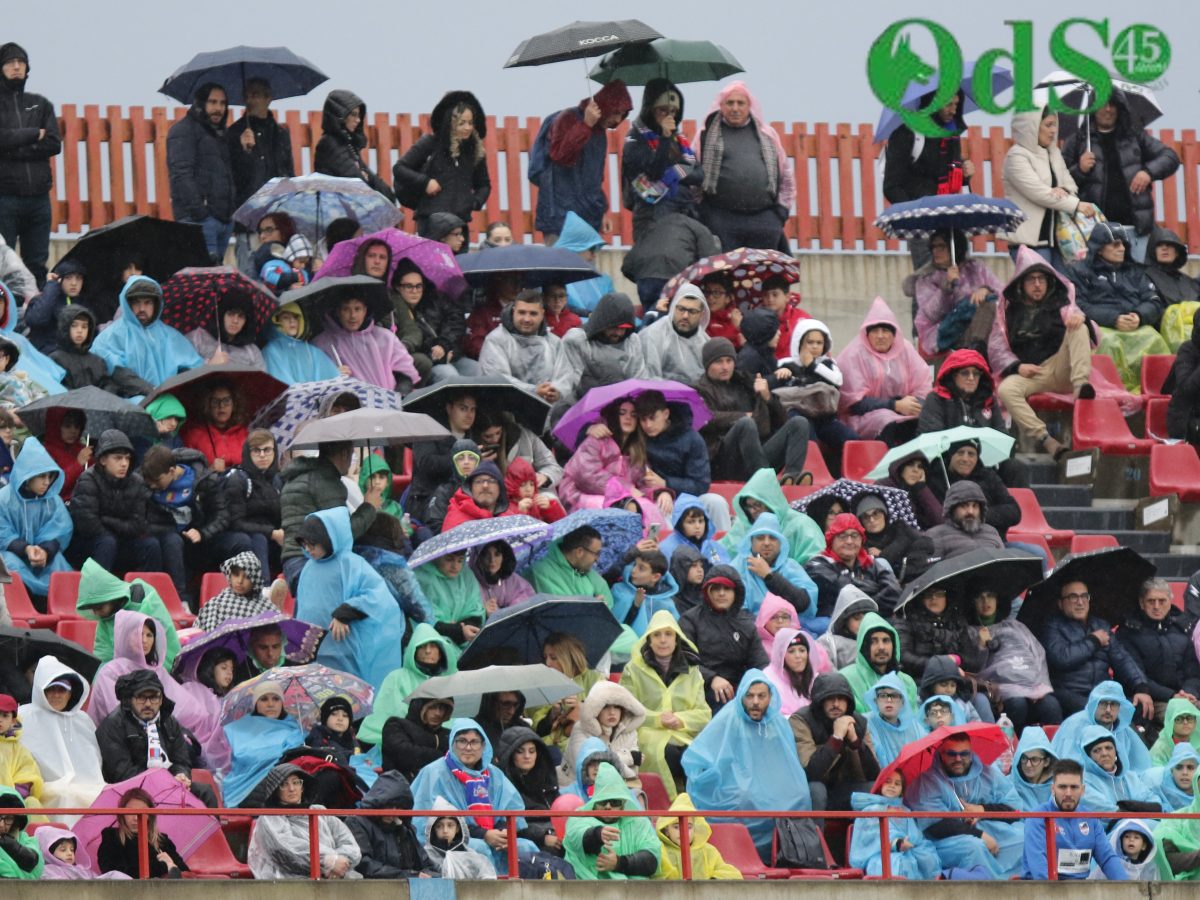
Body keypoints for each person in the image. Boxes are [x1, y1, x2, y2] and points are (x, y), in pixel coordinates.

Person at [682, 670, 812, 860]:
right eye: (750, 696)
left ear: (771, 697)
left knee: (801, 795)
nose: (756, 702)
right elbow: (697, 758)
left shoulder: (778, 724)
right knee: (745, 797)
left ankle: (795, 855)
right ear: (741, 695)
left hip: (771, 786)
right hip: (734, 785)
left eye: (761, 696)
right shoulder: (727, 719)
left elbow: (788, 765)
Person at [989, 248, 1100, 458]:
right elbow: (996, 347)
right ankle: (1047, 440)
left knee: (1080, 327)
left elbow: (1091, 332)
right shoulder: (1008, 310)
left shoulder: (1061, 303)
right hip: (1033, 373)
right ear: (1021, 283)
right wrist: (1017, 366)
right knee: (1006, 390)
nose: (1037, 284)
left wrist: (1080, 318)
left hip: (1061, 367)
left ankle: (1080, 386)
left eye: (1041, 279)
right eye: (1031, 279)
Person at [294, 507, 405, 690]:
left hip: (345, 652)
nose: (308, 549)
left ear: (328, 539)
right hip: (315, 652)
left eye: (312, 544)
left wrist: (346, 612)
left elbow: (379, 597)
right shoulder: (308, 568)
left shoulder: (352, 564)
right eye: (304, 544)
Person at [1063, 90, 1180, 262]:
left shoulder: (1135, 137)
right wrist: (1079, 169)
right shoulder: (1077, 141)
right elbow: (1058, 182)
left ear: (1120, 109)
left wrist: (1148, 173)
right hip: (1094, 232)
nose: (1108, 109)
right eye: (1103, 104)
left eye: (1113, 105)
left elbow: (1170, 157)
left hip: (1135, 228)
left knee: (1138, 280)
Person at [410, 719, 532, 873]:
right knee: (479, 848)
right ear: (452, 744)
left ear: (483, 746)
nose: (468, 747)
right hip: (448, 840)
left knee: (526, 847)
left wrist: (503, 834)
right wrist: (484, 834)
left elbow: (512, 810)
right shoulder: (434, 772)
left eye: (474, 742)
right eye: (462, 741)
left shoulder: (494, 774)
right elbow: (431, 824)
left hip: (493, 836)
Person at [142, 445, 254, 602]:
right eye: (150, 482)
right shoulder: (146, 485)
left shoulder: (203, 480)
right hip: (171, 541)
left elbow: (222, 515)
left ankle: (245, 599)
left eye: (157, 481)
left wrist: (203, 533)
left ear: (172, 471)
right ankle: (180, 601)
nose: (152, 485)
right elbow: (146, 520)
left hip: (201, 541)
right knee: (172, 541)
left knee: (241, 541)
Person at [618, 611, 710, 798]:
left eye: (668, 634)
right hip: (646, 735)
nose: (663, 640)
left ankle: (691, 808)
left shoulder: (692, 671)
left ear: (677, 638)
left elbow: (704, 714)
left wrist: (681, 719)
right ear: (648, 639)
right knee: (668, 753)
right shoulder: (633, 669)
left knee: (697, 757)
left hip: (684, 736)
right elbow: (626, 708)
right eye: (657, 635)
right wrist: (658, 719)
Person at [907, 731, 1024, 878]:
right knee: (974, 847)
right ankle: (991, 889)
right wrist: (979, 834)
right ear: (940, 754)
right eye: (951, 754)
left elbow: (1015, 809)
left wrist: (982, 810)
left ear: (971, 753)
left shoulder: (988, 773)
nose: (958, 759)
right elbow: (936, 824)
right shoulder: (928, 781)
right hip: (946, 841)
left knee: (1023, 836)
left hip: (987, 828)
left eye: (964, 754)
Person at [1070, 223, 1170, 392]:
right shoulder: (1080, 271)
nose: (1122, 248)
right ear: (1100, 249)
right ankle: (1111, 392)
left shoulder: (1136, 272)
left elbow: (1153, 300)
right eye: (1115, 244)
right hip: (1100, 327)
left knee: (1155, 339)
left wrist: (1139, 316)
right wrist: (1113, 319)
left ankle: (1158, 392)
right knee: (1108, 343)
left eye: (1124, 244)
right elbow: (1078, 305)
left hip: (1134, 323)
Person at [696, 337, 811, 483]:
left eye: (729, 361)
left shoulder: (746, 382)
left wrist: (767, 397)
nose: (725, 367)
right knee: (745, 424)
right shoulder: (699, 390)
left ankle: (792, 476)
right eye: (719, 362)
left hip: (757, 455)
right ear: (708, 364)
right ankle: (766, 482)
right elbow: (706, 419)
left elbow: (781, 420)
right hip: (724, 460)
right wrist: (743, 416)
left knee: (799, 422)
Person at [529, 81, 632, 242]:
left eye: (623, 114)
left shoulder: (599, 133)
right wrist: (586, 125)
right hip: (560, 218)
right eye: (616, 112)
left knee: (585, 267)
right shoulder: (567, 118)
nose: (618, 119)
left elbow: (594, 178)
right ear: (604, 106)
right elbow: (561, 156)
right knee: (562, 266)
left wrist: (602, 211)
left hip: (587, 219)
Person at [697, 81, 794, 252]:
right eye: (730, 103)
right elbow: (694, 172)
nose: (735, 108)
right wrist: (701, 211)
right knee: (724, 274)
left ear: (749, 106)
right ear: (721, 106)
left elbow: (786, 175)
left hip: (763, 220)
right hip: (721, 219)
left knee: (761, 275)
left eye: (740, 103)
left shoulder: (767, 135)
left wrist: (781, 211)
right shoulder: (705, 135)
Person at [1041, 579, 1153, 717]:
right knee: (1096, 709)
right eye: (1073, 597)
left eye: (1084, 596)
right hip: (1069, 692)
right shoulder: (1052, 626)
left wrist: (1141, 687)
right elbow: (1061, 658)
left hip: (1102, 692)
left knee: (1140, 705)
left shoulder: (1101, 625)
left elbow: (1122, 659)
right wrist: (1093, 641)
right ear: (1061, 603)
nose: (1080, 602)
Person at [280, 438, 380, 590]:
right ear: (345, 453)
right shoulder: (325, 482)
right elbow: (342, 534)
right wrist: (370, 506)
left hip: (291, 562)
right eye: (352, 454)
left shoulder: (297, 477)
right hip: (312, 562)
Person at [1002, 107, 1094, 269]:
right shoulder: (1017, 156)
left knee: (1063, 289)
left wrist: (1063, 191)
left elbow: (1070, 185)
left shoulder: (1054, 153)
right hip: (1030, 242)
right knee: (1039, 290)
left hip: (1058, 241)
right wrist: (1075, 204)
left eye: (1055, 125)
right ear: (1032, 126)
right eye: (1048, 125)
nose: (1054, 131)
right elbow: (1037, 192)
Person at [0, 43, 61, 287]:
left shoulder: (41, 104)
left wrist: (13, 147)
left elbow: (54, 143)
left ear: (27, 68)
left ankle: (36, 318)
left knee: (37, 263)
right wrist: (34, 133)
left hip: (38, 199)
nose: (16, 67)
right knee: (4, 262)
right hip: (5, 198)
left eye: (21, 63)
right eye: (10, 62)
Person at [93, 671, 203, 799]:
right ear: (130, 700)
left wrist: (180, 775)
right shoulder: (113, 725)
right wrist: (162, 783)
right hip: (130, 793)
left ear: (162, 700)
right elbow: (122, 773)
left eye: (154, 697)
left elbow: (181, 761)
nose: (148, 704)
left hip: (168, 786)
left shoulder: (170, 722)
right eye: (141, 697)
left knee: (204, 792)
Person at [393, 91, 489, 237]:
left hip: (460, 222)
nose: (468, 128)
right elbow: (400, 168)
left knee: (458, 260)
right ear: (449, 123)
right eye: (461, 123)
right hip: (431, 220)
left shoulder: (475, 151)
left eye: (470, 123)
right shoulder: (430, 143)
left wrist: (474, 202)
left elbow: (484, 184)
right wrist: (426, 183)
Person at [837, 297, 931, 445]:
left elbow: (923, 387)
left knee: (926, 421)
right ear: (866, 333)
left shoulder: (906, 350)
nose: (880, 336)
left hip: (904, 412)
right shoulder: (853, 354)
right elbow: (854, 404)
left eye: (886, 330)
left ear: (895, 334)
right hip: (863, 418)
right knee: (886, 420)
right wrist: (894, 405)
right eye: (875, 330)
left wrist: (914, 406)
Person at [968, 586, 1061, 732]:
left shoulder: (1016, 626)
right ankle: (1015, 750)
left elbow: (1038, 656)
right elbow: (974, 669)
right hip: (1001, 689)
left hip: (1033, 686)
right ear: (972, 602)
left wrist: (1039, 687)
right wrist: (980, 646)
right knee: (1017, 705)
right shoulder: (969, 632)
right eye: (980, 597)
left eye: (990, 595)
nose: (986, 601)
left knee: (1051, 706)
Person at [16, 657, 104, 811]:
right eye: (51, 689)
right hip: (43, 787)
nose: (57, 695)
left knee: (104, 794)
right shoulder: (24, 716)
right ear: (41, 690)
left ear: (70, 694)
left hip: (89, 786)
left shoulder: (83, 720)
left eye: (62, 690)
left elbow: (95, 761)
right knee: (63, 795)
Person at [248, 763, 362, 880]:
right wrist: (327, 862)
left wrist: (339, 862)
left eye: (296, 782)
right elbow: (285, 850)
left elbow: (348, 843)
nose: (291, 789)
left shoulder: (319, 811)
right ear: (276, 790)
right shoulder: (270, 818)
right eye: (284, 784)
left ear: (303, 787)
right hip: (289, 883)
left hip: (333, 876)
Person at [226, 78, 294, 271]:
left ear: (268, 98)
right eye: (247, 95)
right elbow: (233, 177)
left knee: (279, 274)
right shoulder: (235, 133)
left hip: (278, 216)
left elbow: (289, 172)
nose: (250, 100)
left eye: (255, 95)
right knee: (250, 275)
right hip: (249, 218)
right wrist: (244, 152)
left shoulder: (280, 133)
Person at [679, 567, 768, 711]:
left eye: (727, 589)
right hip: (700, 688)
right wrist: (711, 678)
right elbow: (683, 658)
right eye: (716, 588)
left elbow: (760, 662)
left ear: (736, 593)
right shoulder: (690, 620)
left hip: (740, 689)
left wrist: (756, 685)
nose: (721, 593)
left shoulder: (746, 623)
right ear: (707, 591)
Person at [1021, 758, 1127, 880]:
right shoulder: (1037, 818)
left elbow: (1107, 858)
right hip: (1041, 891)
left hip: (1079, 890)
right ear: (1053, 789)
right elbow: (1039, 868)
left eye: (1074, 787)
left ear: (1082, 790)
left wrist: (1127, 889)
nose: (1068, 793)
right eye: (1062, 787)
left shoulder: (1090, 818)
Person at [790, 671, 879, 812]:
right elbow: (810, 772)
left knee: (874, 788)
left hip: (844, 789)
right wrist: (836, 738)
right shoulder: (801, 720)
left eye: (841, 699)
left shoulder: (859, 722)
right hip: (811, 792)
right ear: (819, 700)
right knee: (816, 789)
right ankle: (813, 834)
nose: (836, 704)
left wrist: (856, 743)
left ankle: (866, 834)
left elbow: (874, 775)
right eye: (830, 699)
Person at [90, 276, 204, 386]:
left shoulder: (169, 336)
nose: (142, 309)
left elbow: (194, 367)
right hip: (128, 401)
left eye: (148, 302)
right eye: (136, 303)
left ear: (156, 304)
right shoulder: (111, 336)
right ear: (128, 304)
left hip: (167, 397)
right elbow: (105, 366)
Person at [167, 83, 235, 262]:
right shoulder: (184, 130)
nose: (218, 108)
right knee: (202, 278)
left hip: (223, 221)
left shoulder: (220, 135)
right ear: (200, 103)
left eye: (222, 103)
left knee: (216, 280)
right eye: (212, 102)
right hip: (199, 220)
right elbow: (181, 174)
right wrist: (201, 213)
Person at [359, 622, 456, 745]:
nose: (427, 651)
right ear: (413, 650)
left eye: (433, 646)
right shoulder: (397, 677)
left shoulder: (449, 681)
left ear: (441, 651)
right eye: (422, 646)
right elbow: (390, 712)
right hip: (403, 741)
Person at [1120, 579, 1200, 725]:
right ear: (1141, 603)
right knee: (1183, 722)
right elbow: (1136, 676)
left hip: (1187, 697)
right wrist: (1172, 696)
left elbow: (1194, 673)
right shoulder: (1127, 633)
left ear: (1170, 601)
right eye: (1151, 601)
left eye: (1162, 601)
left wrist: (1189, 693)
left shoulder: (1182, 629)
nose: (1157, 606)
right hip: (1155, 699)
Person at [912, 231, 1004, 357]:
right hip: (945, 334)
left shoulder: (976, 267)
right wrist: (946, 288)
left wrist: (986, 289)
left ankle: (977, 349)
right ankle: (976, 353)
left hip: (978, 329)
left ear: (956, 248)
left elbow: (1003, 293)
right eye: (933, 247)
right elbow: (930, 315)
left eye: (941, 247)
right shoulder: (926, 279)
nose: (935, 251)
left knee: (988, 303)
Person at [75, 557, 179, 668]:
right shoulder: (106, 619)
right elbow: (103, 657)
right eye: (93, 609)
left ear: (111, 599)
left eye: (99, 608)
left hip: (161, 670)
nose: (96, 613)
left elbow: (159, 647)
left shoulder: (144, 600)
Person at [0, 436, 72, 597]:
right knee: (8, 563)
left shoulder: (53, 501)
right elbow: (2, 533)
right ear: (27, 475)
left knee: (59, 561)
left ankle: (58, 603)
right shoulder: (4, 499)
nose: (47, 482)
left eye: (50, 476)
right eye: (42, 476)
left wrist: (45, 551)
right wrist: (26, 549)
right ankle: (25, 600)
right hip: (12, 555)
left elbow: (61, 530)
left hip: (44, 556)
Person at [564, 761, 660, 880]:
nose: (608, 806)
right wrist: (597, 834)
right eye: (603, 801)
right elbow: (577, 837)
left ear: (623, 803)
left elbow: (652, 860)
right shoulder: (579, 817)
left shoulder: (639, 823)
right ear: (594, 802)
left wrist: (620, 863)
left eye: (615, 802)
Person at [551, 292, 649, 403]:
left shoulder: (632, 342)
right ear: (603, 322)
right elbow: (566, 378)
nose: (618, 333)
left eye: (623, 328)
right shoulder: (577, 340)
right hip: (581, 404)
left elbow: (639, 379)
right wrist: (557, 392)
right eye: (613, 327)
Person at [313, 291, 419, 392]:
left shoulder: (385, 337)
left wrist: (399, 394)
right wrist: (332, 375)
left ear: (365, 310)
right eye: (346, 309)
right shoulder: (323, 344)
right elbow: (316, 381)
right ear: (337, 312)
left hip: (391, 401)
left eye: (357, 309)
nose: (352, 315)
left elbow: (405, 374)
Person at [220, 682, 305, 808]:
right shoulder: (237, 729)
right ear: (256, 704)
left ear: (282, 703)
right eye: (264, 699)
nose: (271, 704)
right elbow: (243, 757)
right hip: (243, 788)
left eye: (276, 699)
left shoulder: (294, 731)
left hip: (283, 787)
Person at [805, 512, 901, 621]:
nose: (849, 541)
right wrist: (875, 589)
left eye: (855, 536)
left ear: (861, 539)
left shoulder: (871, 562)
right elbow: (847, 593)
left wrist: (867, 606)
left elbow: (894, 592)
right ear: (831, 540)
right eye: (842, 536)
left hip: (878, 621)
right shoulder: (817, 565)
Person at [732, 512, 821, 630]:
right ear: (751, 541)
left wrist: (770, 576)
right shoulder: (737, 568)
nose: (767, 543)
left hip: (791, 629)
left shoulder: (790, 566)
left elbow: (803, 603)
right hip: (753, 633)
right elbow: (736, 613)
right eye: (760, 537)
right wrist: (769, 627)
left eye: (773, 538)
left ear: (780, 543)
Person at [346, 770, 439, 879]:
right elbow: (363, 864)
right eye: (388, 805)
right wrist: (408, 875)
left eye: (398, 806)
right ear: (378, 802)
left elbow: (427, 865)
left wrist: (426, 875)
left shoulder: (404, 829)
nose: (393, 811)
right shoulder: (357, 823)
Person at [849, 771, 940, 879]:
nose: (892, 786)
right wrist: (897, 843)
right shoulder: (871, 810)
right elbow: (871, 836)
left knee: (928, 857)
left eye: (897, 784)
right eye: (888, 782)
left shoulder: (906, 811)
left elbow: (917, 836)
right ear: (880, 786)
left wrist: (911, 843)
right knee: (899, 863)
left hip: (908, 852)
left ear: (902, 790)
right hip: (879, 856)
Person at [1050, 680, 1153, 773]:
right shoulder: (1074, 726)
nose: (1108, 710)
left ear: (1120, 708)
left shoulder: (1123, 730)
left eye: (1113, 704)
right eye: (1103, 703)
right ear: (1093, 703)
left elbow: (1142, 768)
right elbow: (1067, 769)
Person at [48, 306, 152, 397]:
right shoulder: (56, 359)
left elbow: (107, 384)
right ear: (65, 328)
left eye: (84, 326)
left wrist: (101, 398)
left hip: (98, 411)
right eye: (74, 325)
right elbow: (56, 388)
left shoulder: (97, 361)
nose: (80, 330)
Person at [478, 290, 561, 401]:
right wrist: (534, 390)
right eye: (522, 312)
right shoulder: (495, 340)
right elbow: (497, 381)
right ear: (514, 312)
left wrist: (557, 391)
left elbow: (565, 378)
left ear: (542, 314)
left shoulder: (555, 342)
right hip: (506, 407)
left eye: (533, 313)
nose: (526, 319)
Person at [561, 681, 646, 790]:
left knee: (638, 797)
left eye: (616, 707)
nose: (612, 712)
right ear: (595, 710)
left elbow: (633, 773)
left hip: (614, 788)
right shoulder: (581, 728)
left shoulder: (629, 731)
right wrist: (628, 757)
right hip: (576, 788)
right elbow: (586, 766)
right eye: (605, 707)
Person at [313, 89, 395, 201]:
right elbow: (358, 183)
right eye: (353, 115)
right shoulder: (330, 144)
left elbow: (375, 184)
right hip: (336, 209)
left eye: (359, 115)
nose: (358, 120)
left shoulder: (347, 144)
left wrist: (366, 178)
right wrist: (364, 178)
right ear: (340, 115)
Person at [494, 726, 561, 853]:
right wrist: (542, 837)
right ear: (509, 754)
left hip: (555, 834)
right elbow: (507, 823)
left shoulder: (547, 780)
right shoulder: (500, 783)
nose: (527, 756)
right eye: (520, 751)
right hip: (525, 840)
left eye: (532, 751)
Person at [839, 611, 920, 714]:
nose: (881, 647)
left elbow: (913, 721)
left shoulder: (907, 682)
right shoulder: (846, 679)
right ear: (863, 646)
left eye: (886, 640)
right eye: (873, 641)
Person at [97, 787, 186, 879]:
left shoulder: (161, 840)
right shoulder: (112, 837)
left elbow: (185, 873)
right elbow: (112, 872)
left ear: (150, 815)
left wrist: (171, 864)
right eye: (130, 812)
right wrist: (163, 866)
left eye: (143, 811)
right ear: (122, 814)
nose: (136, 818)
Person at [655, 792, 741, 880]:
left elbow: (732, 873)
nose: (683, 831)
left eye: (689, 827)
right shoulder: (660, 850)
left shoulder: (708, 851)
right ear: (666, 831)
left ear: (694, 829)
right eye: (676, 827)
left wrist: (713, 881)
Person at [1077, 726, 1161, 813]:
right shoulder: (1083, 781)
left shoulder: (1130, 777)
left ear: (1116, 752)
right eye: (1097, 750)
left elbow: (1155, 803)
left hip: (1144, 823)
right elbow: (1105, 810)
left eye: (1108, 748)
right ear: (1088, 757)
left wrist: (1133, 807)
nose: (1104, 754)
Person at [856, 492, 932, 584]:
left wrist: (884, 554)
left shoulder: (900, 527)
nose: (871, 520)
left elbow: (927, 544)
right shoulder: (861, 543)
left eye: (876, 513)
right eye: (865, 516)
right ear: (861, 521)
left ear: (884, 514)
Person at [415, 549, 485, 648]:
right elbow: (425, 618)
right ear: (436, 557)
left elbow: (475, 608)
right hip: (433, 644)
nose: (455, 566)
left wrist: (461, 629)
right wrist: (456, 630)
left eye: (460, 560)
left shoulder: (466, 574)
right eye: (449, 559)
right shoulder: (421, 578)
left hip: (466, 642)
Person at [643, 283, 711, 384]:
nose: (685, 316)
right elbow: (649, 378)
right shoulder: (653, 335)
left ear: (701, 314)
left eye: (692, 311)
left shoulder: (705, 342)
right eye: (681, 309)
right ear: (674, 307)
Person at [1145, 227, 1200, 350]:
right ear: (1152, 251)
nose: (1165, 248)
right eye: (1160, 245)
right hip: (1165, 336)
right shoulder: (1144, 277)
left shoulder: (1188, 281)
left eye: (1170, 245)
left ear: (1177, 252)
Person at [379, 697, 455, 783]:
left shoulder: (448, 734)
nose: (438, 713)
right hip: (400, 788)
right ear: (419, 707)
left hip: (437, 789)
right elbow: (404, 754)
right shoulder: (396, 725)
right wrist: (440, 754)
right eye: (432, 707)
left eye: (442, 708)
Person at [925, 480, 1006, 560]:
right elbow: (932, 570)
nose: (970, 511)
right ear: (952, 508)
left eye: (975, 506)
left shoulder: (991, 531)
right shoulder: (935, 535)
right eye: (964, 506)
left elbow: (1004, 561)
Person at [262, 300, 339, 383]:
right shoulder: (271, 350)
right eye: (286, 317)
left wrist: (338, 373)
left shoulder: (310, 350)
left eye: (295, 317)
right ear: (276, 321)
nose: (292, 321)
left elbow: (331, 378)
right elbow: (282, 385)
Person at [1155, 763, 1200, 879]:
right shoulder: (1176, 819)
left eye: (1190, 767)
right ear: (1196, 785)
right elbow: (1166, 859)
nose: (1185, 771)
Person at [819, 585, 878, 670]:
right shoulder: (829, 642)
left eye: (867, 618)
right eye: (857, 618)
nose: (863, 623)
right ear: (845, 620)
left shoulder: (880, 641)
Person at [38, 827, 130, 880]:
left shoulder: (82, 870)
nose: (70, 853)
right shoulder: (47, 870)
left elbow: (97, 882)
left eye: (72, 849)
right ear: (48, 852)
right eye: (63, 850)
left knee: (115, 875)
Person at [0, 693, 41, 808]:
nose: (0, 720)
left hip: (11, 802)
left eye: (5, 715)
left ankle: (40, 827)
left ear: (13, 721)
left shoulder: (20, 750)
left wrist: (14, 797)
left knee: (33, 803)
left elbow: (28, 773)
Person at [1149, 742, 1198, 811]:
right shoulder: (1158, 792)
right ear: (1172, 770)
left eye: (1190, 767)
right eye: (1179, 767)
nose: (1185, 773)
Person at [1151, 699, 1200, 766]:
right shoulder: (1160, 749)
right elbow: (1156, 773)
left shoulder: (1198, 742)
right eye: (1179, 719)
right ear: (1170, 722)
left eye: (1190, 718)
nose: (1185, 722)